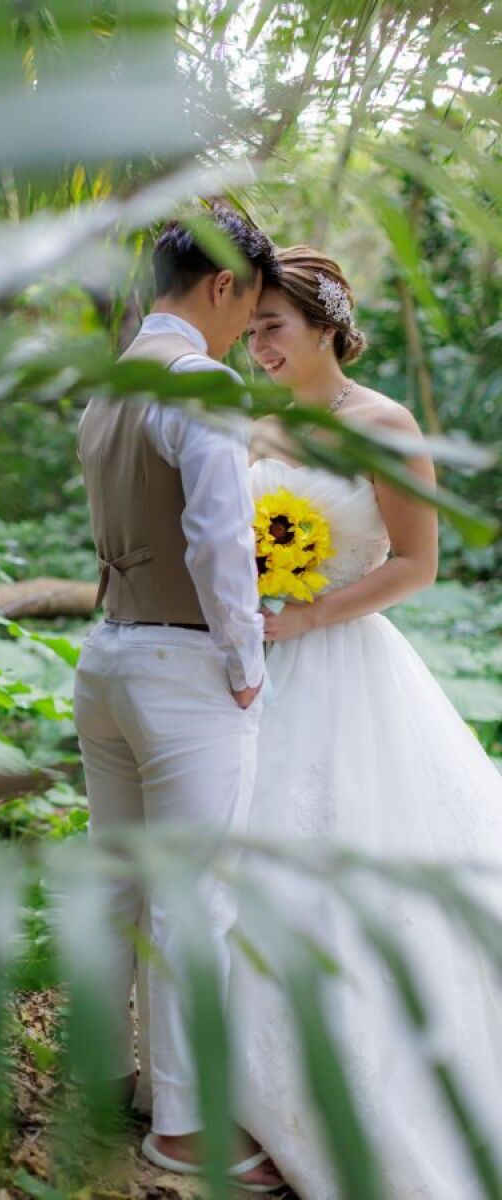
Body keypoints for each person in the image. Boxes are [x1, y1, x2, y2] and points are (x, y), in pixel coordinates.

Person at [239, 244, 502, 1198]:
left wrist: (306, 613)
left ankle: (331, 1096)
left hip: (345, 663)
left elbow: (416, 564)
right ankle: (232, 1090)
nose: (258, 344)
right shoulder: (260, 425)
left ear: (324, 326)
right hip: (257, 668)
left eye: (272, 326)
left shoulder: (384, 424)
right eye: (252, 328)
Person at [73, 206, 289, 1191]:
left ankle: (106, 1081)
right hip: (179, 672)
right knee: (189, 902)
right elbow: (214, 540)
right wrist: (243, 661)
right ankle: (185, 1132)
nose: (246, 329)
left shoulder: (107, 390)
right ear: (220, 287)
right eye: (248, 308)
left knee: (118, 889)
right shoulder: (200, 384)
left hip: (106, 658)